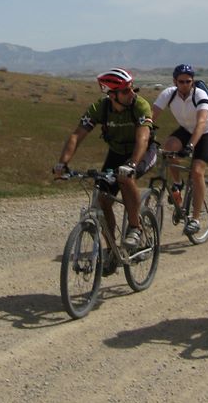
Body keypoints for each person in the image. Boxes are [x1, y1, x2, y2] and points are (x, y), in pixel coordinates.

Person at [53, 69, 155, 274]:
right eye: (125, 91)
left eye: (131, 88)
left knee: (126, 179)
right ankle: (112, 250)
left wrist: (132, 165)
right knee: (102, 199)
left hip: (142, 152)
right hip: (117, 153)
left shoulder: (140, 105)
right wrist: (62, 164)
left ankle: (135, 227)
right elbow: (77, 135)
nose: (131, 93)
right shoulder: (100, 108)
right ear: (111, 94)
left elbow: (143, 138)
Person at [152, 64, 208, 236]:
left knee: (197, 172)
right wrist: (144, 137)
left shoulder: (200, 95)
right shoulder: (169, 94)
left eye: (188, 81)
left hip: (206, 132)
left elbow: (201, 123)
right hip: (187, 129)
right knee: (168, 148)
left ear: (193, 81)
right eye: (181, 81)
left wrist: (190, 146)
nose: (185, 85)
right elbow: (151, 116)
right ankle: (178, 183)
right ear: (175, 81)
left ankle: (195, 219)